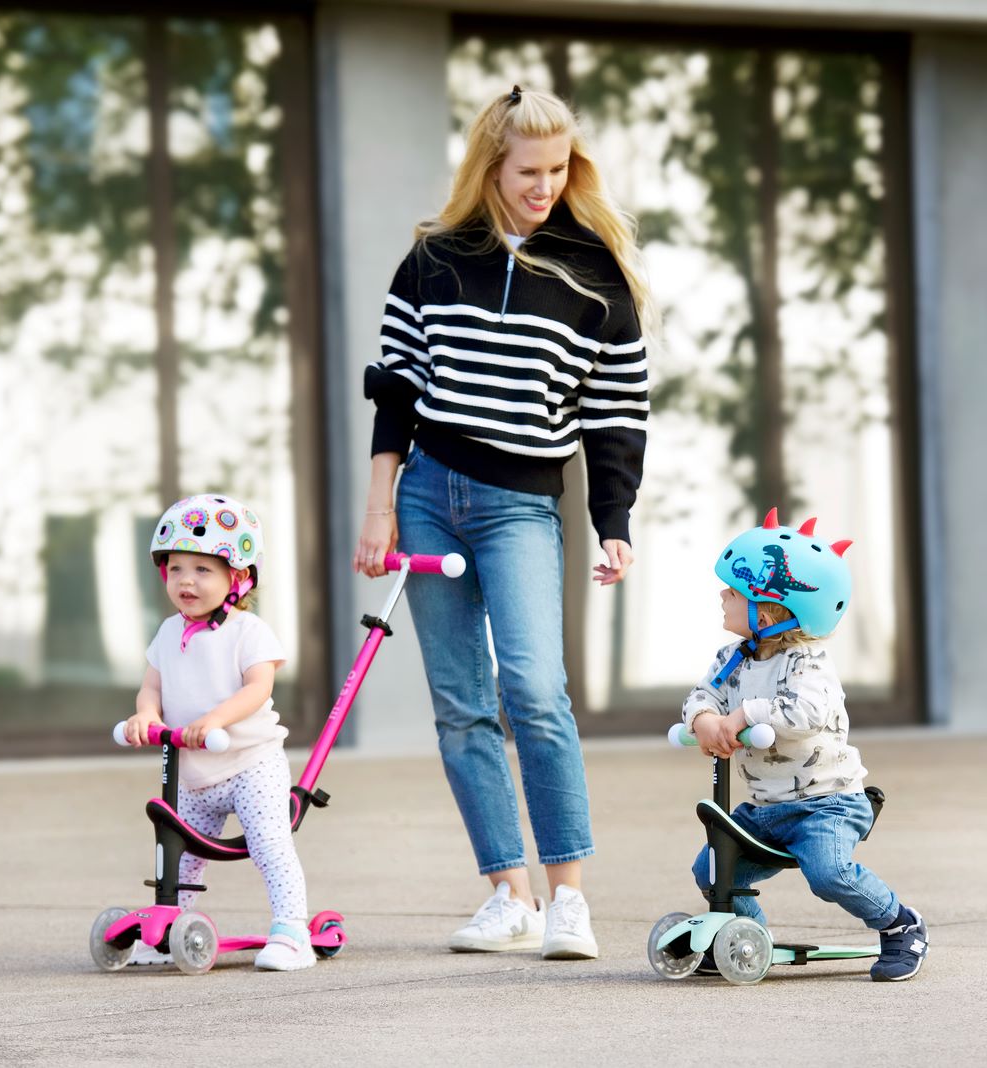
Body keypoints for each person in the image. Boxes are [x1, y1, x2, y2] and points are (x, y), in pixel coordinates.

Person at [353, 85, 655, 961]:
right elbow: (395, 391)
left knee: (533, 691)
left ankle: (568, 899)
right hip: (427, 494)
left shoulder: (594, 272)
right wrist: (380, 512)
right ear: (491, 166)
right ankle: (507, 894)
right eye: (530, 170)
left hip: (522, 502)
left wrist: (613, 519)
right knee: (459, 704)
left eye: (560, 169)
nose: (546, 186)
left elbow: (617, 411)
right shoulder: (432, 260)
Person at [682, 509, 929, 982]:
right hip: (768, 807)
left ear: (769, 609)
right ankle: (745, 943)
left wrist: (743, 716)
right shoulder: (730, 659)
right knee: (714, 871)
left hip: (828, 804)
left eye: (733, 591)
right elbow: (702, 694)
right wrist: (704, 718)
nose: (722, 595)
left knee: (828, 873)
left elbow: (805, 712)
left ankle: (900, 924)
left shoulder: (809, 663)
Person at [124, 493, 313, 972]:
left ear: (238, 577)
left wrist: (215, 719)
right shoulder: (168, 633)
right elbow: (152, 686)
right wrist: (145, 715)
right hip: (194, 773)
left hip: (251, 763)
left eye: (203, 570)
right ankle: (171, 928)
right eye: (176, 569)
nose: (186, 580)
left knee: (270, 843)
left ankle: (293, 930)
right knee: (179, 854)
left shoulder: (248, 631)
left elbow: (258, 687)